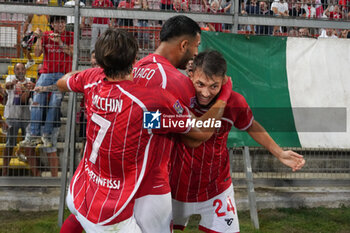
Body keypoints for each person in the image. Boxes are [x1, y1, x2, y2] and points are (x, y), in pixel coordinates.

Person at [57, 28, 230, 233]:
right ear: (135, 59)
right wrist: (224, 95)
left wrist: (89, 76)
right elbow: (201, 131)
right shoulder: (148, 104)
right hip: (109, 209)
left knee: (78, 220)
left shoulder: (92, 78)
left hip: (81, 188)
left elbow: (63, 81)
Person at [170, 50, 306, 233]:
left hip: (216, 188)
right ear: (190, 74)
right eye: (200, 84)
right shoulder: (177, 96)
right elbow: (195, 138)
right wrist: (223, 96)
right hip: (174, 188)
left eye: (214, 86)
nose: (205, 92)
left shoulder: (235, 102)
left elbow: (252, 125)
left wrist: (279, 153)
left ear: (223, 81)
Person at [20, 15, 73, 148]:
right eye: (57, 23)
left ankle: (46, 135)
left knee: (55, 103)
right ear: (52, 24)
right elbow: (37, 54)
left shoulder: (70, 35)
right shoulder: (46, 35)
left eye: (62, 22)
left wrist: (60, 42)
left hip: (62, 75)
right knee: (37, 100)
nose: (60, 25)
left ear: (65, 24)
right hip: (46, 73)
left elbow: (72, 52)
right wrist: (39, 38)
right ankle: (34, 135)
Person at [2, 63, 34, 176]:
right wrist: (14, 83)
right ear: (14, 71)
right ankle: (4, 171)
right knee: (9, 144)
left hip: (26, 116)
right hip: (12, 115)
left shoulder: (29, 81)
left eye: (22, 69)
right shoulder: (10, 78)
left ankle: (34, 172)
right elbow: (7, 86)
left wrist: (30, 87)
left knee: (29, 145)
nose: (20, 71)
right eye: (18, 69)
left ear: (25, 71)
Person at [22, 0, 50, 69]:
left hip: (44, 34)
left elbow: (51, 24)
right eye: (38, 4)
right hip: (34, 34)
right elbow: (26, 24)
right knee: (23, 44)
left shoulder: (46, 15)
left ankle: (45, 63)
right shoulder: (32, 14)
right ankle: (30, 60)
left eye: (40, 5)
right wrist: (23, 34)